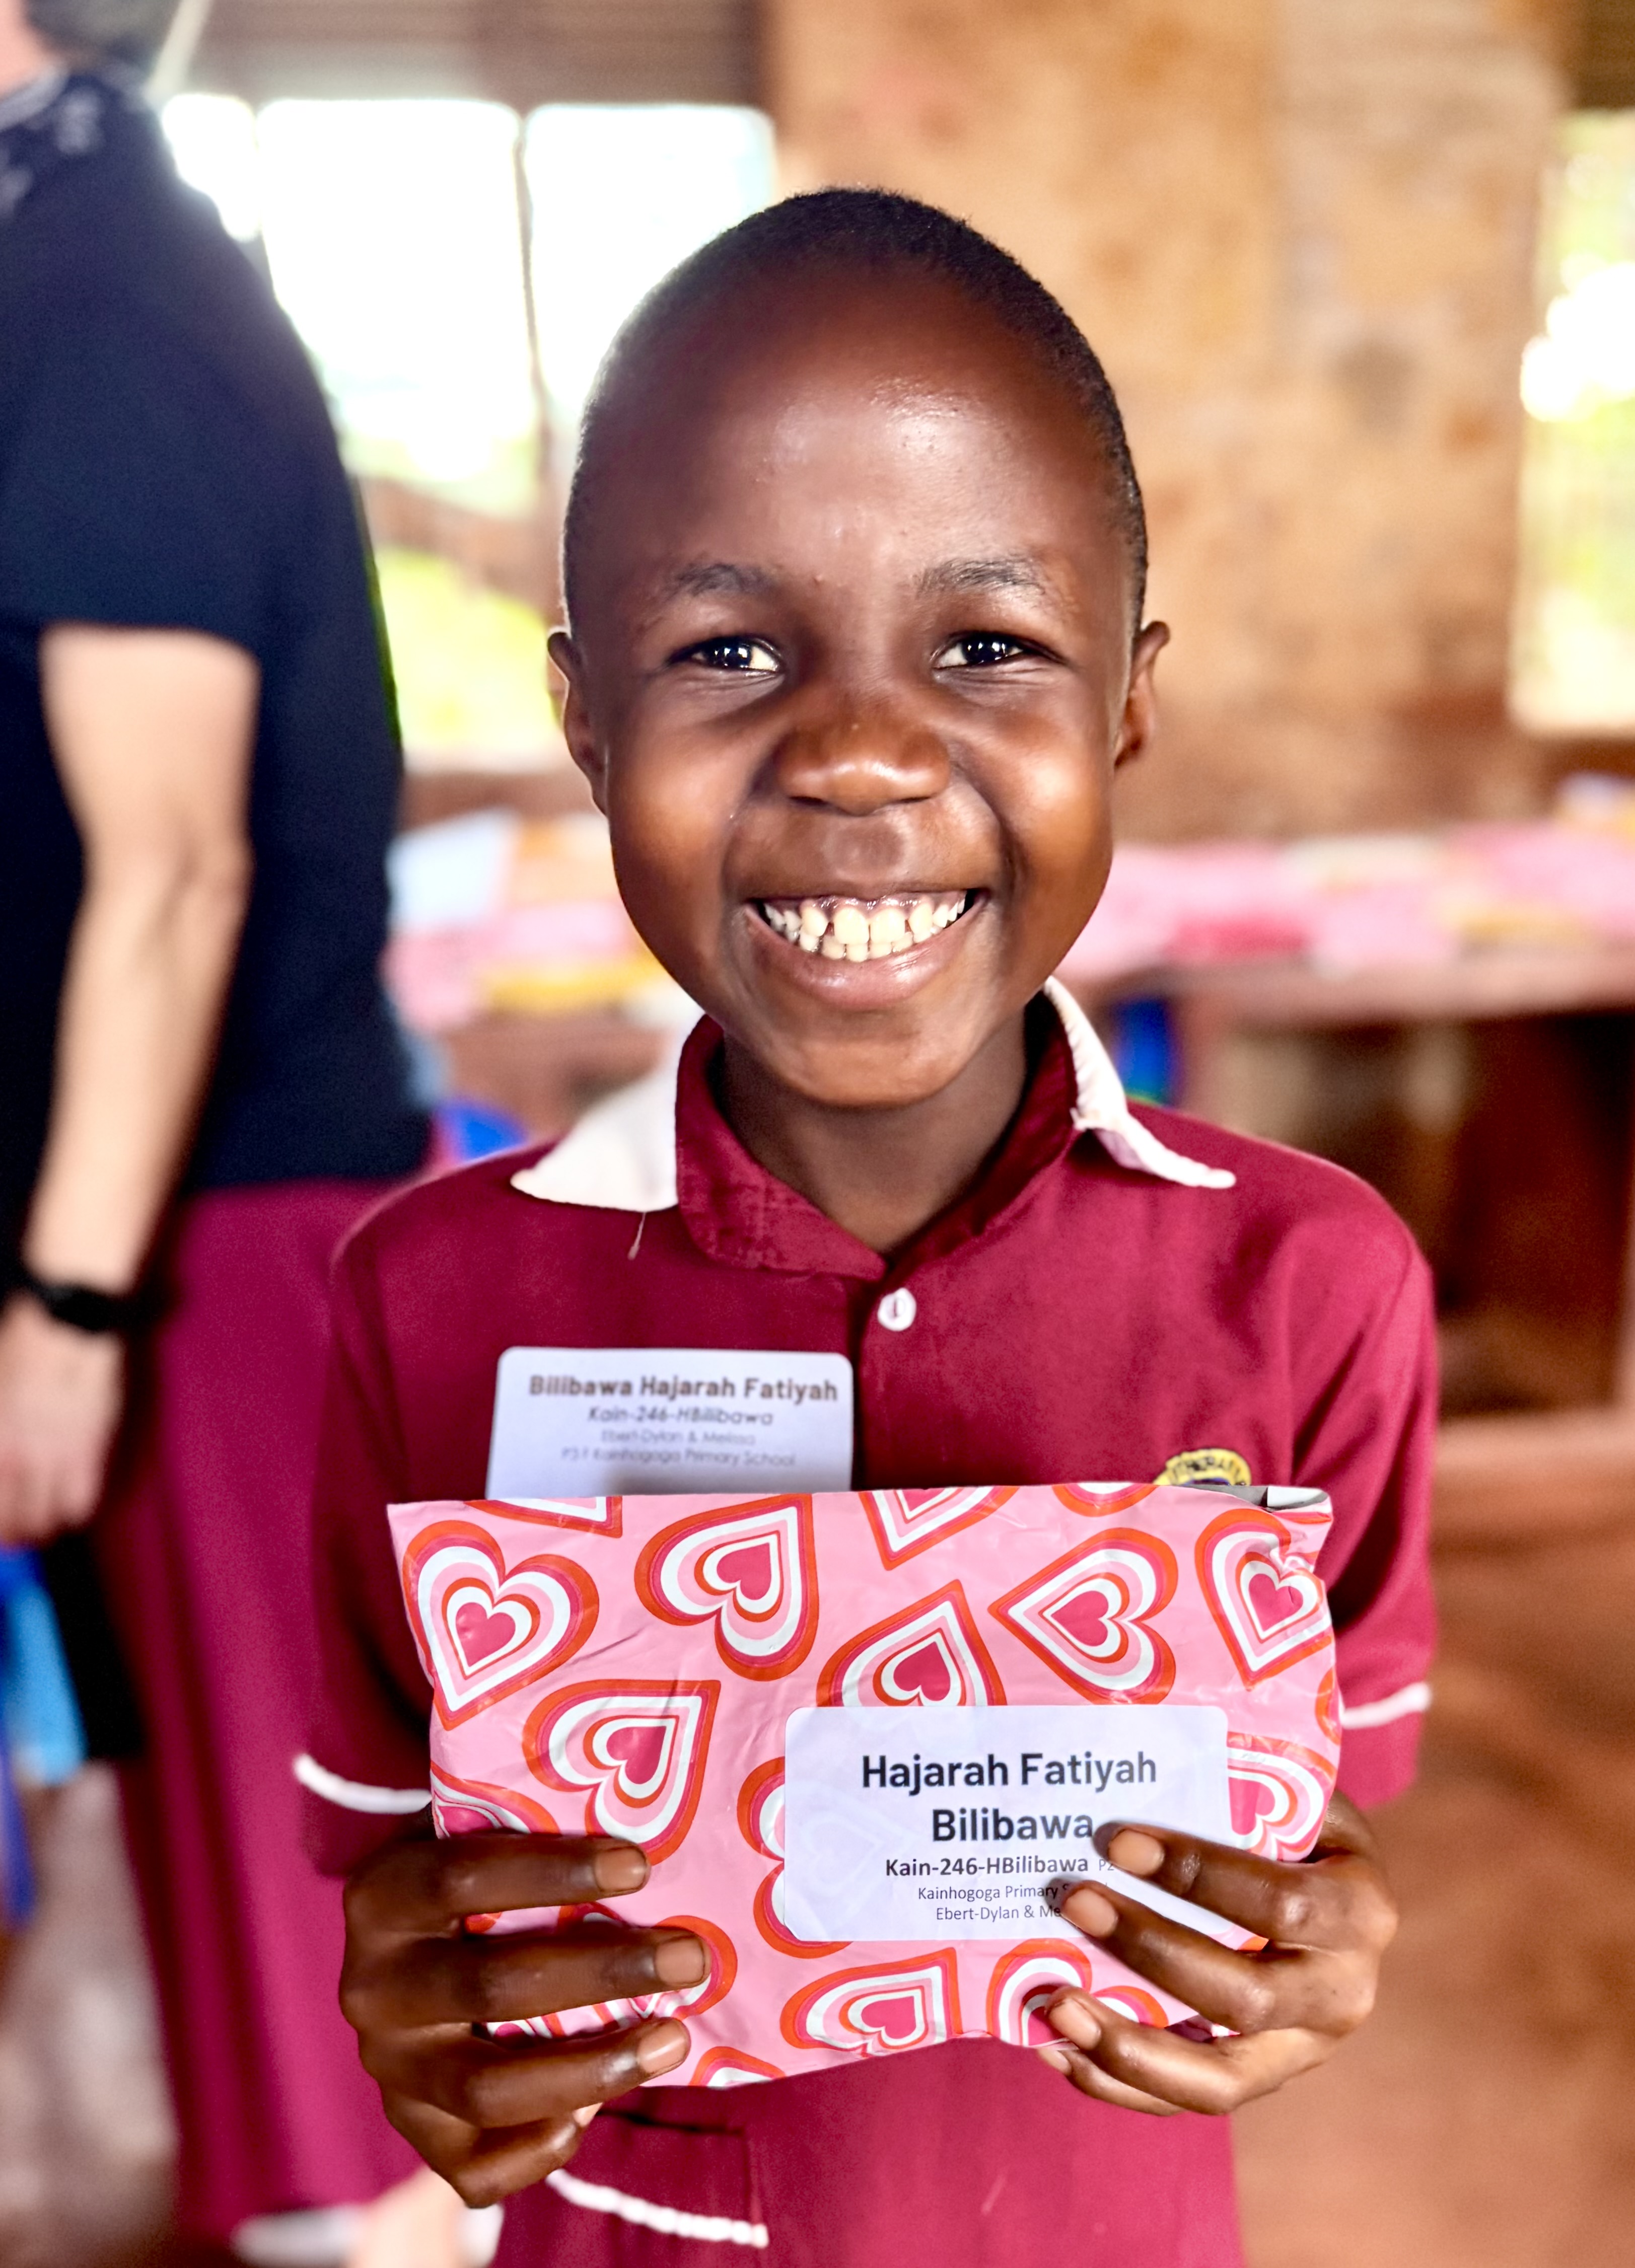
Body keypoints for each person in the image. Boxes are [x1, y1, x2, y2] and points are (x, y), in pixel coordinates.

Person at [303, 190, 1434, 2266]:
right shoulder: (430, 1299)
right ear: (583, 718)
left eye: (987, 645)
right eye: (726, 650)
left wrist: (1317, 1943)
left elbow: (1323, 1808)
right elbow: (387, 1860)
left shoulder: (1313, 1282)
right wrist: (410, 2003)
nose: (857, 754)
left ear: (1125, 705)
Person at [0, 3, 440, 2256]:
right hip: (149, 1217)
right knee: (218, 1884)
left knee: (315, 1968)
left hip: (216, 1231)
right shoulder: (67, 257)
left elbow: (174, 871)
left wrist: (68, 1298)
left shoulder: (106, 298)